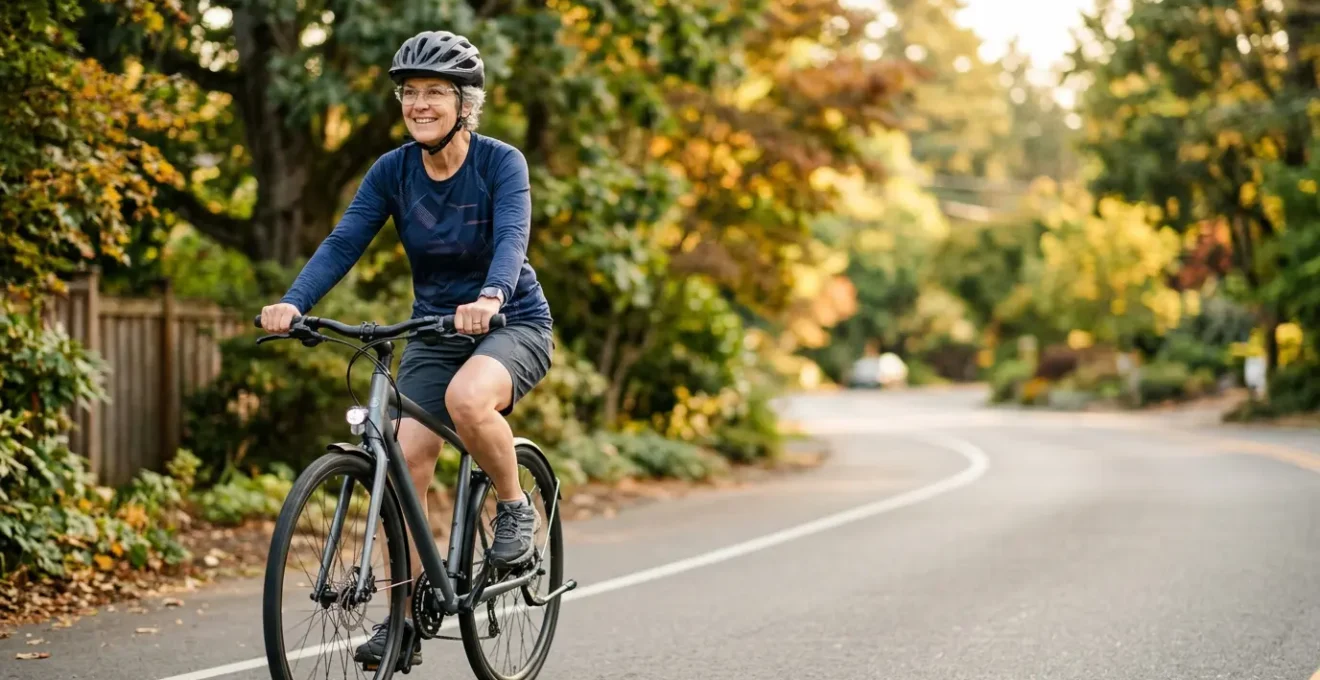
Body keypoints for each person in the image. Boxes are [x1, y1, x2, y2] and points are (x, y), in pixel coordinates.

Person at [257, 29, 553, 669]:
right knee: (404, 456)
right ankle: (405, 619)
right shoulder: (392, 171)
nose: (419, 104)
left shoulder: (501, 163)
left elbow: (512, 239)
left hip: (512, 321)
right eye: (409, 93)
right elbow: (343, 243)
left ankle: (514, 507)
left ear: (463, 103)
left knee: (468, 401)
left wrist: (493, 296)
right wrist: (295, 301)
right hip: (432, 330)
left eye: (435, 93)